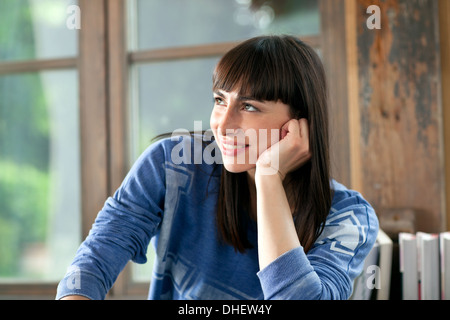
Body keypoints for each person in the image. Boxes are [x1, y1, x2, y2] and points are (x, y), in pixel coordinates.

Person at [56, 35, 378, 300]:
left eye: (249, 106)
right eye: (220, 100)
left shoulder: (347, 216)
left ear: (298, 123)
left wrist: (269, 177)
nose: (223, 125)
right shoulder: (173, 164)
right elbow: (92, 264)